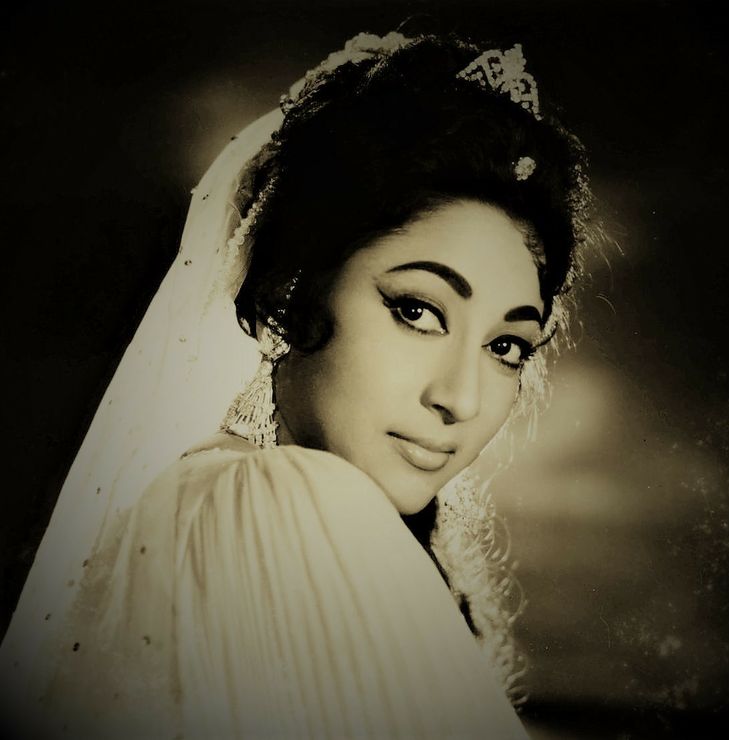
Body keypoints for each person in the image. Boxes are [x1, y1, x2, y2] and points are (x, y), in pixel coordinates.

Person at [0, 31, 592, 738]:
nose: (459, 399)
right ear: (291, 291)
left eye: (505, 346)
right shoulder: (282, 497)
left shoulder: (197, 497)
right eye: (415, 310)